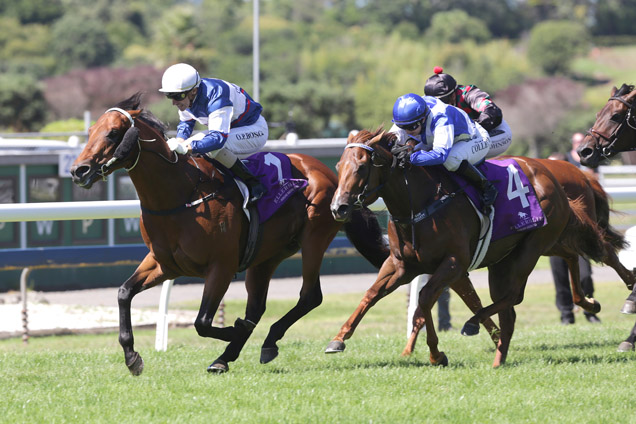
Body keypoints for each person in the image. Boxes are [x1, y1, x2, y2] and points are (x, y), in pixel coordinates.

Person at [159, 63, 268, 203]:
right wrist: (180, 141)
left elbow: (218, 139)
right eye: (169, 96)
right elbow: (186, 122)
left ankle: (254, 184)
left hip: (254, 129)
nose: (174, 102)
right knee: (191, 143)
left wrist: (187, 147)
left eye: (177, 96)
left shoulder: (216, 94)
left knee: (206, 144)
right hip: (232, 130)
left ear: (194, 91)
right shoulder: (187, 96)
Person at [390, 92, 497, 207]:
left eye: (411, 127)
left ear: (423, 119)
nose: (406, 131)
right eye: (402, 127)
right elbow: (390, 138)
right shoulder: (407, 116)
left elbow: (440, 155)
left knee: (450, 159)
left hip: (475, 138)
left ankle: (487, 186)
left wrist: (411, 157)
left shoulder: (441, 117)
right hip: (441, 137)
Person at [547, 132, 600, 324]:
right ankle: (566, 314)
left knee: (585, 277)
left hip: (576, 239)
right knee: (560, 278)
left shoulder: (576, 189)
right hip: (553, 239)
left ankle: (589, 311)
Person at [424, 66, 512, 158]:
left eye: (443, 101)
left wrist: (468, 126)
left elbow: (493, 112)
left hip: (496, 133)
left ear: (453, 95)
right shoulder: (428, 102)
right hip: (469, 136)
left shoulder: (469, 94)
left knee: (452, 153)